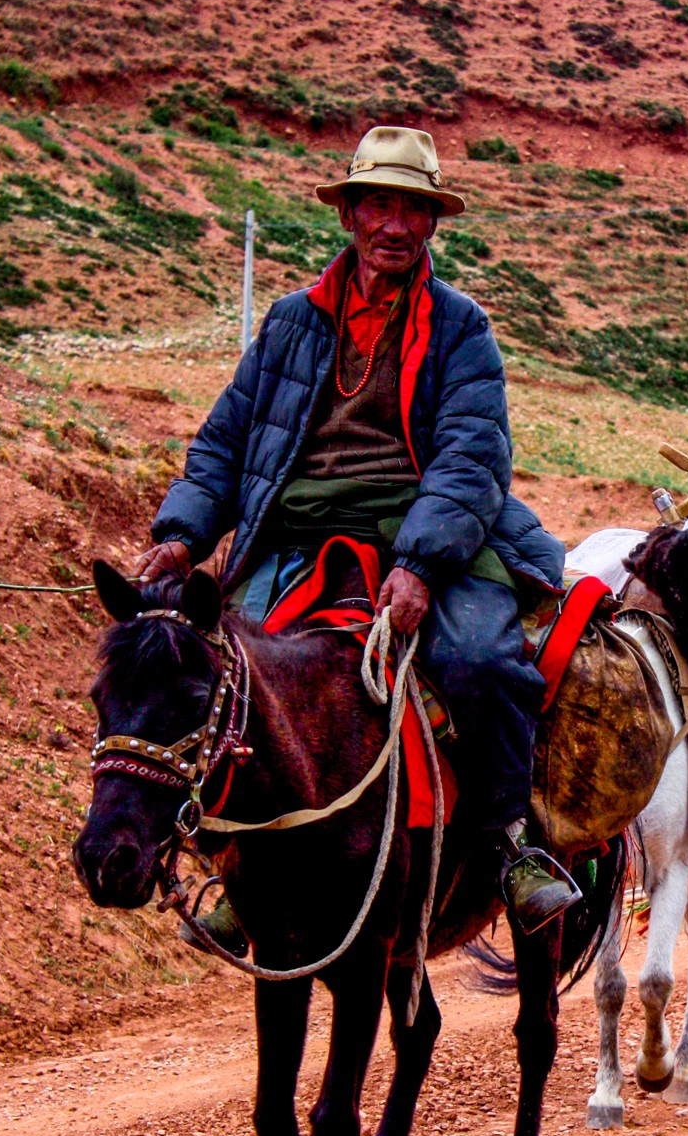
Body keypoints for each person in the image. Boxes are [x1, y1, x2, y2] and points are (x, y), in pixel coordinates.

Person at [136, 125, 577, 945]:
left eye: (414, 208)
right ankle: (234, 867)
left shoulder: (461, 328)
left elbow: (471, 460)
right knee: (219, 673)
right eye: (380, 204)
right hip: (296, 540)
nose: (396, 225)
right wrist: (182, 534)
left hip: (426, 534)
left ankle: (507, 849)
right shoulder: (291, 323)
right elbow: (225, 445)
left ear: (433, 224)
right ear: (349, 215)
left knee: (482, 664)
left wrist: (419, 564)